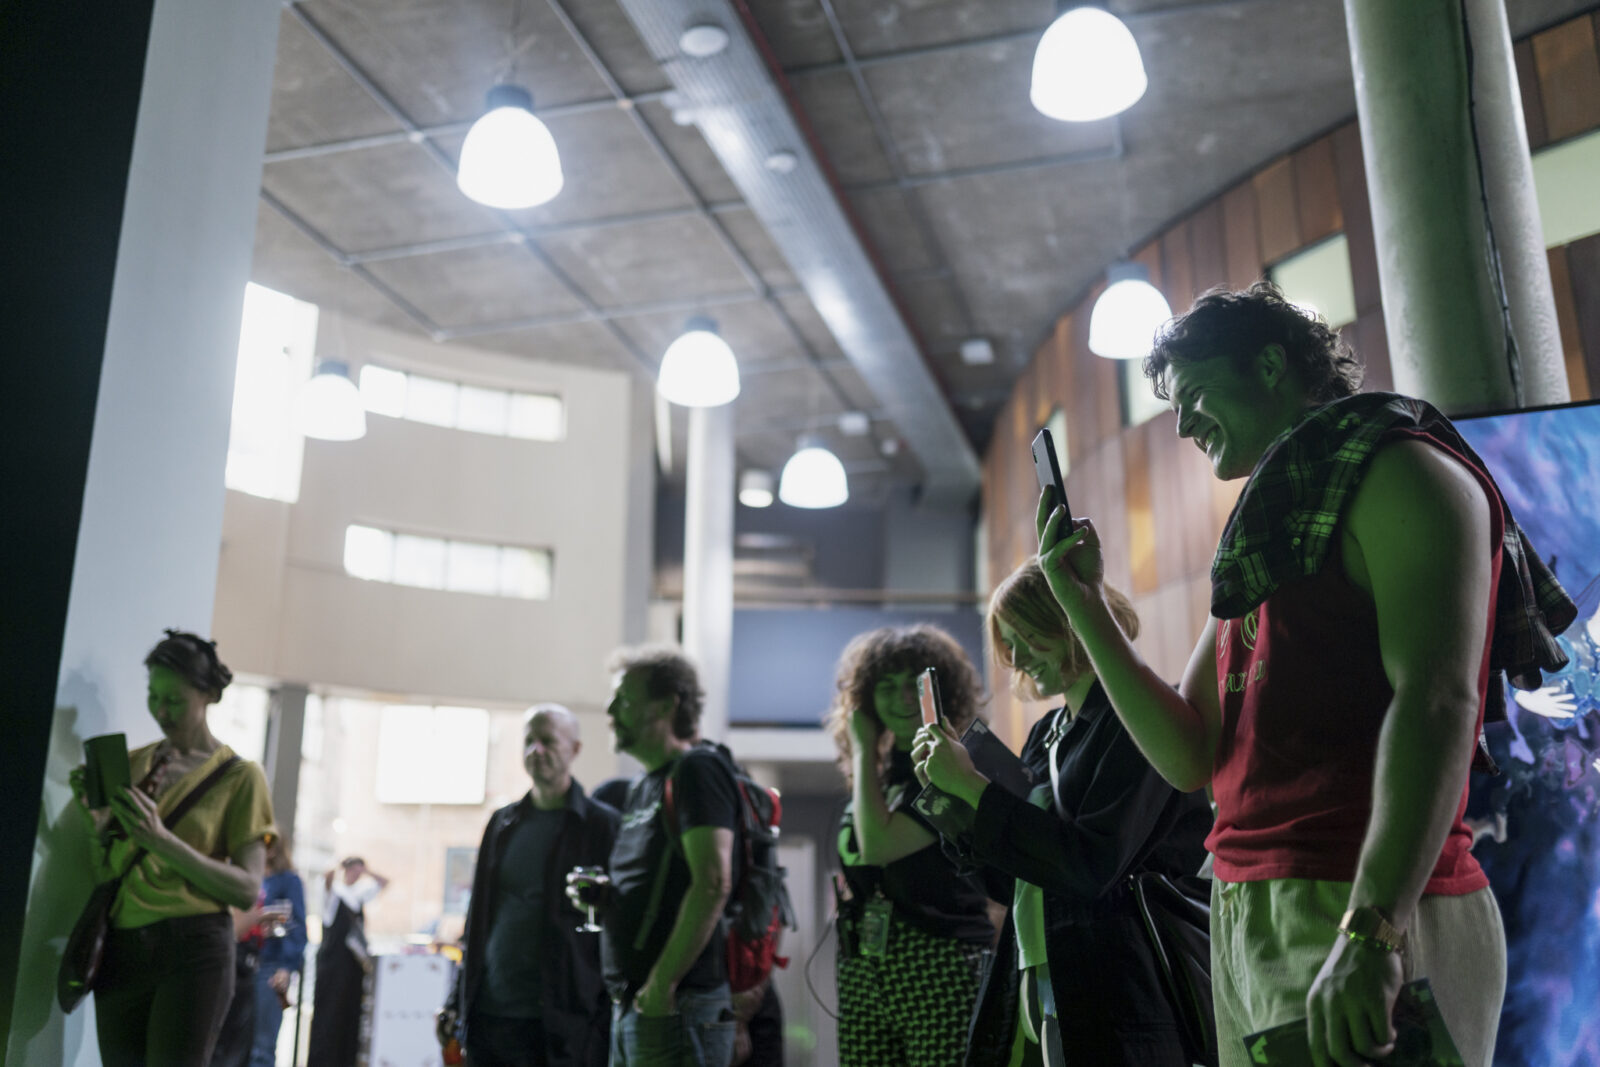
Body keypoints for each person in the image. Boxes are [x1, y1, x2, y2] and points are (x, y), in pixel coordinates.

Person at [1033, 281, 1574, 1067]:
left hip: (1363, 903)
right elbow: (1190, 753)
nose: (1181, 424)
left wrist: (1373, 927)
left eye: (1193, 396)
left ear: (1273, 364)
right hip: (1251, 909)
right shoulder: (1271, 527)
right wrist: (1082, 603)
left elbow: (1438, 700)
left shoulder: (1402, 470)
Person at [913, 561, 1212, 1065]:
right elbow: (1013, 881)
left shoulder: (1138, 717)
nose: (1017, 658)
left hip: (1124, 985)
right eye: (1010, 642)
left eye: (1028, 635)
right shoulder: (1046, 732)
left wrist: (970, 785)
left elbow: (1090, 864)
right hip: (1044, 978)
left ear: (1069, 623)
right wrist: (949, 799)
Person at [68, 629, 276, 1067]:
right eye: (153, 696)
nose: (161, 711)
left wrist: (161, 841)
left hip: (193, 951)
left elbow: (245, 889)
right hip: (122, 949)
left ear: (207, 697)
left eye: (175, 700)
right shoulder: (133, 762)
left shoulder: (240, 777)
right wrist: (97, 827)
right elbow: (108, 873)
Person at [823, 625, 997, 1066]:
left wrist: (862, 749)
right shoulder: (880, 778)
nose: (901, 698)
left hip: (941, 961)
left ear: (942, 690)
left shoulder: (958, 761)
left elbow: (878, 845)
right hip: (867, 963)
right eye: (885, 686)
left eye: (913, 684)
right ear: (866, 697)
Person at [574, 645, 741, 1067]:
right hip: (638, 1004)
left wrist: (662, 984)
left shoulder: (697, 770)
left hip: (676, 1007)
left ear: (667, 705)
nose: (610, 709)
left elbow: (713, 882)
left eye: (624, 699)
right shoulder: (646, 785)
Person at [439, 704, 620, 1067]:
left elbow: (617, 927)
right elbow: (478, 920)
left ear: (575, 749)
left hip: (563, 1024)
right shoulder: (502, 824)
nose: (536, 751)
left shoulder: (602, 826)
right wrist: (456, 1000)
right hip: (491, 1016)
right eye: (529, 741)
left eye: (548, 741)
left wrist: (600, 1015)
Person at [306, 856, 389, 1067]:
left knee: (349, 1016)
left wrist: (367, 871)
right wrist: (339, 863)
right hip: (333, 966)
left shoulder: (359, 895)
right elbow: (326, 879)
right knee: (328, 1015)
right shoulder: (334, 893)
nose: (356, 875)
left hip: (353, 968)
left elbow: (384, 882)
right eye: (354, 871)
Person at [250, 836, 307, 1067]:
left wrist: (286, 966)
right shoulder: (248, 877)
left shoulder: (288, 881)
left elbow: (297, 926)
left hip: (271, 966)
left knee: (262, 1048)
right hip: (242, 964)